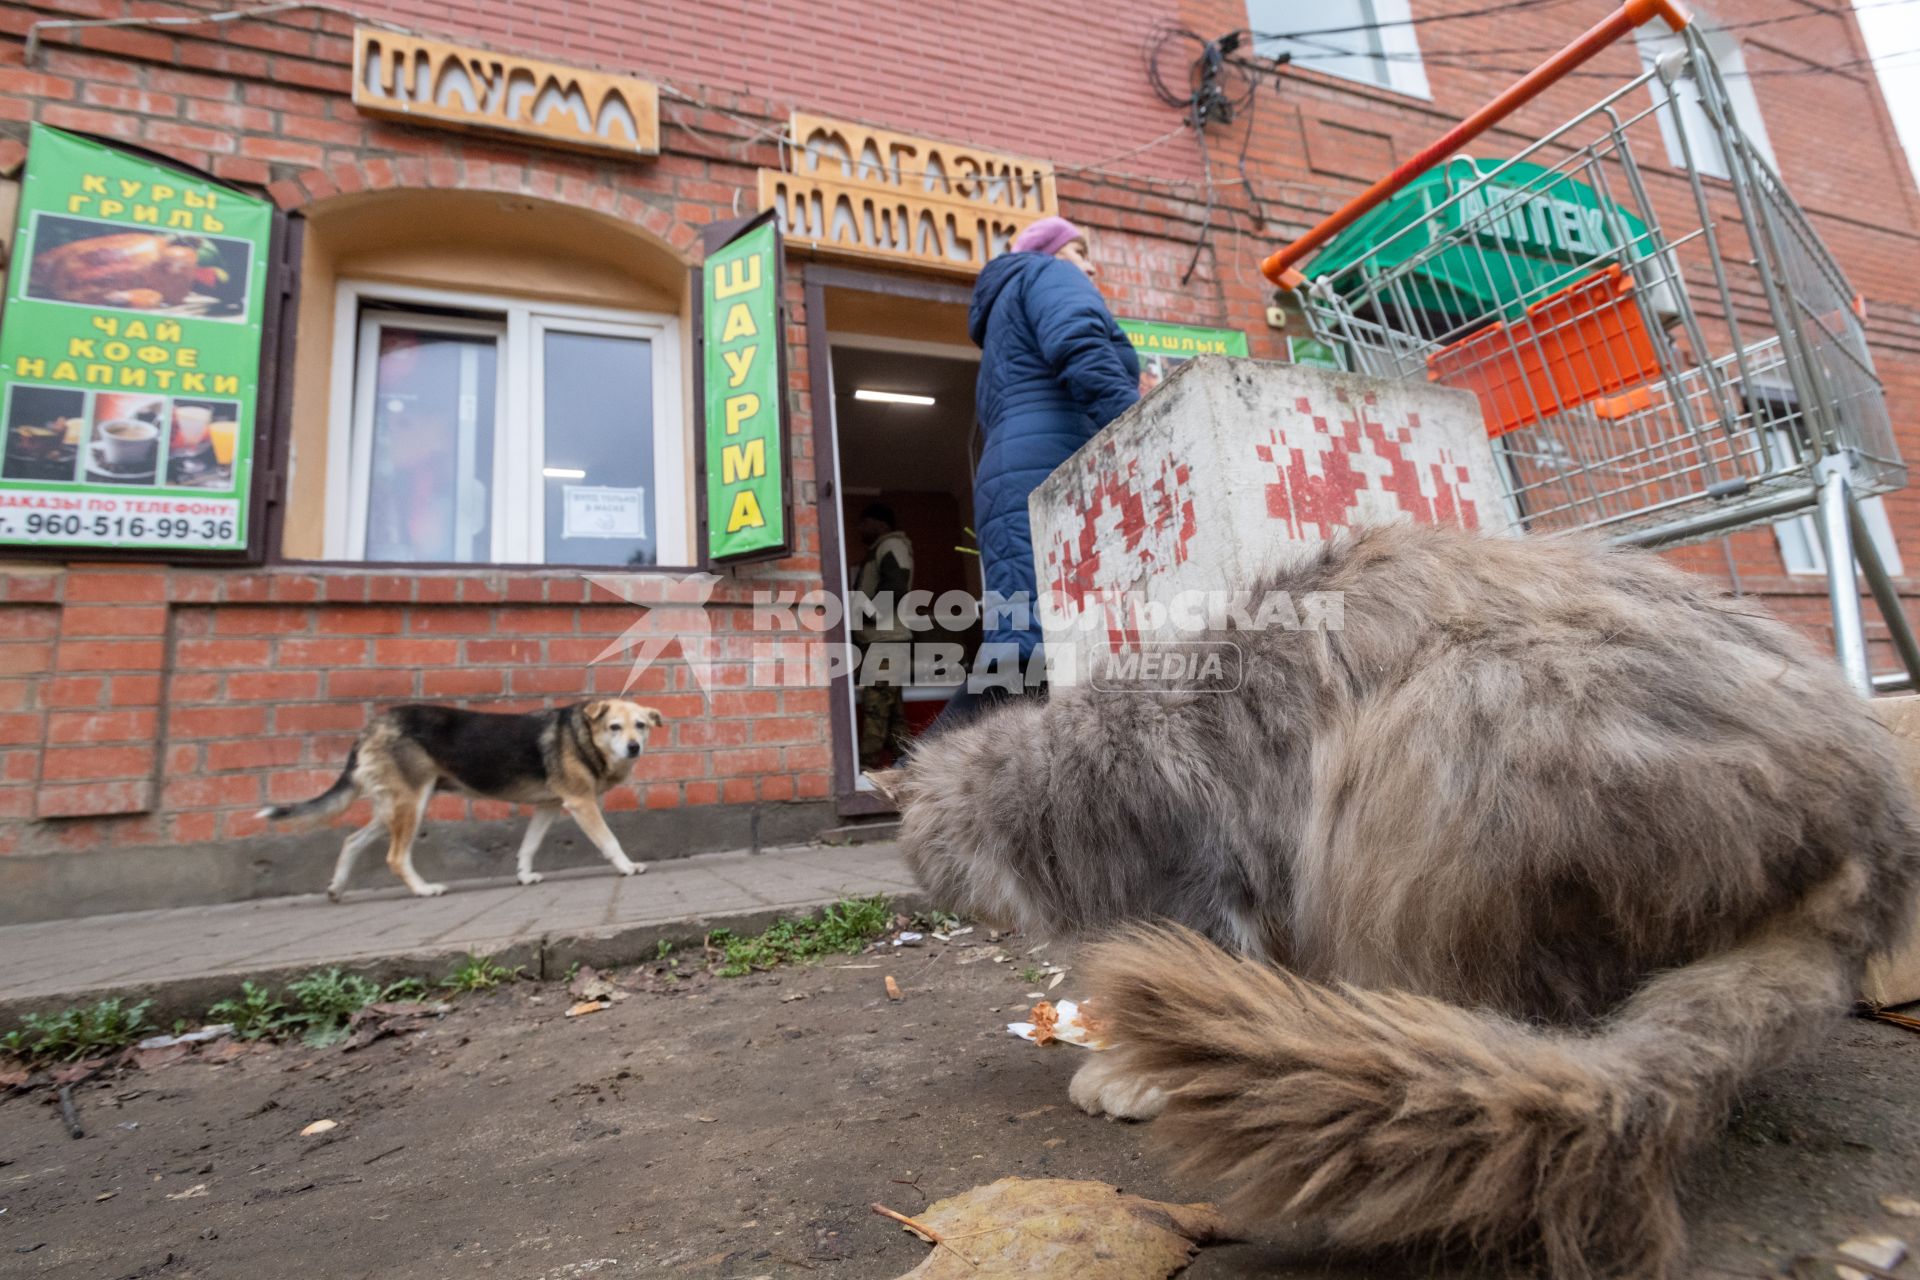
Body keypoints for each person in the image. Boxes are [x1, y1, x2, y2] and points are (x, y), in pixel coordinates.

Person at [927, 216, 1141, 737]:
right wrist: (1146, 429)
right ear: (1054, 250)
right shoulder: (1048, 273)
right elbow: (1081, 347)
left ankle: (933, 774)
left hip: (1012, 478)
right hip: (1054, 470)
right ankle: (929, 770)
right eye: (1081, 250)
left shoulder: (1004, 312)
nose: (1090, 265)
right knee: (1036, 652)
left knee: (1027, 641)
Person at [851, 503, 914, 768]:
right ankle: (908, 767)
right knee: (892, 714)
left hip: (886, 643)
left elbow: (895, 585)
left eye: (864, 522)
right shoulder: (884, 548)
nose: (860, 528)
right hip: (886, 642)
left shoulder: (891, 546)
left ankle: (866, 770)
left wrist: (868, 614)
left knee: (876, 709)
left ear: (880, 524)